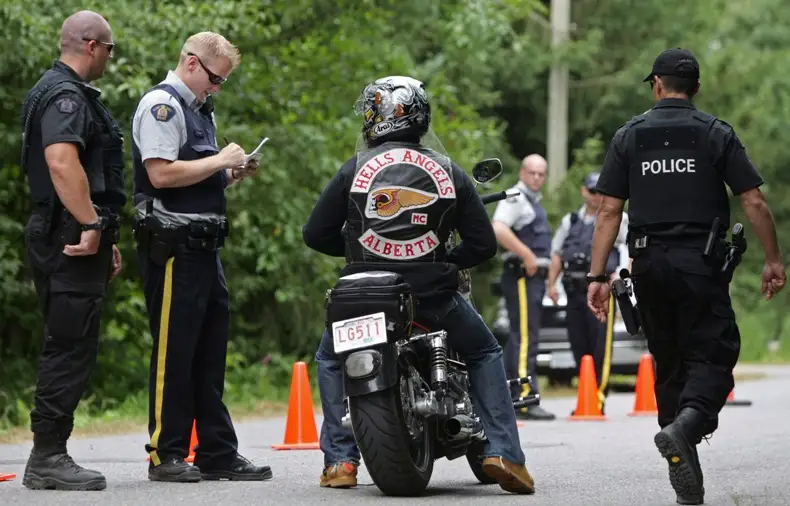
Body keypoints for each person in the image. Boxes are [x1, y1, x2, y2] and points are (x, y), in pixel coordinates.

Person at [303, 75, 535, 494]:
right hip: (432, 293)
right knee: (483, 351)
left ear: (384, 117)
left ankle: (340, 461)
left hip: (363, 294)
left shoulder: (354, 170)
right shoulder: (449, 171)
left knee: (330, 358)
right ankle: (505, 454)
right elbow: (483, 244)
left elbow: (314, 234)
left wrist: (360, 251)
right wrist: (446, 263)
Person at [587, 47, 786, 505]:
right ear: (695, 88)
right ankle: (686, 427)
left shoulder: (629, 136)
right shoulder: (714, 133)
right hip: (700, 264)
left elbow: (608, 212)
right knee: (714, 354)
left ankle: (683, 459)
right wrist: (774, 260)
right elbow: (753, 202)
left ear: (656, 84)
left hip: (648, 265)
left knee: (670, 362)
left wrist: (596, 276)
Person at [130, 31, 270, 483]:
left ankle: (216, 451)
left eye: (221, 81)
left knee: (209, 354)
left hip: (206, 249)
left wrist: (230, 172)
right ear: (191, 63)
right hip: (174, 251)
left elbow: (194, 177)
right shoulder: (162, 106)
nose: (216, 88)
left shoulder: (198, 111)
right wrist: (216, 162)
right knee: (176, 354)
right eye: (215, 78)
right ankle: (165, 452)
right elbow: (161, 173)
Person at [19, 10, 124, 491]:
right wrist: (91, 224)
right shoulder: (66, 96)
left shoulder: (49, 89)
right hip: (69, 235)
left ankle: (50, 453)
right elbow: (62, 162)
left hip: (64, 232)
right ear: (90, 45)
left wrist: (106, 236)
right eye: (109, 48)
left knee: (69, 341)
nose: (109, 57)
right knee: (70, 344)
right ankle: (48, 457)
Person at [546, 172, 628, 409]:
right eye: (593, 191)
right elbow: (557, 254)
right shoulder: (570, 221)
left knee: (600, 346)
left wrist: (620, 277)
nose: (597, 196)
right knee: (578, 346)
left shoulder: (616, 219)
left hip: (602, 291)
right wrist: (551, 284)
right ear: (584, 192)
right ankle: (586, 393)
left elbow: (627, 250)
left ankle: (598, 396)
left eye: (601, 192)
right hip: (574, 291)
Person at [491, 154, 556, 421]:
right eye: (532, 173)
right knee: (526, 336)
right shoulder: (516, 197)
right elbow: (498, 228)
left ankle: (513, 395)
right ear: (522, 172)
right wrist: (527, 255)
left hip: (533, 279)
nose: (537, 178)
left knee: (521, 336)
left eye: (542, 174)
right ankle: (525, 397)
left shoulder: (532, 201)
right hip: (522, 276)